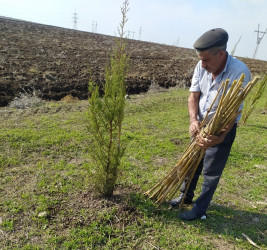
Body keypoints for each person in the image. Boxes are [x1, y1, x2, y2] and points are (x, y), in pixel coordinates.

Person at [169, 28, 251, 221]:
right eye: (200, 59)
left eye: (206, 59)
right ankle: (185, 196)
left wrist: (220, 136)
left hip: (220, 128)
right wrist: (193, 120)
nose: (202, 64)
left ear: (221, 54)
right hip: (200, 124)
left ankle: (200, 209)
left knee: (210, 171)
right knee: (191, 165)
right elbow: (193, 95)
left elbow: (232, 112)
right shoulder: (202, 66)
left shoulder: (239, 72)